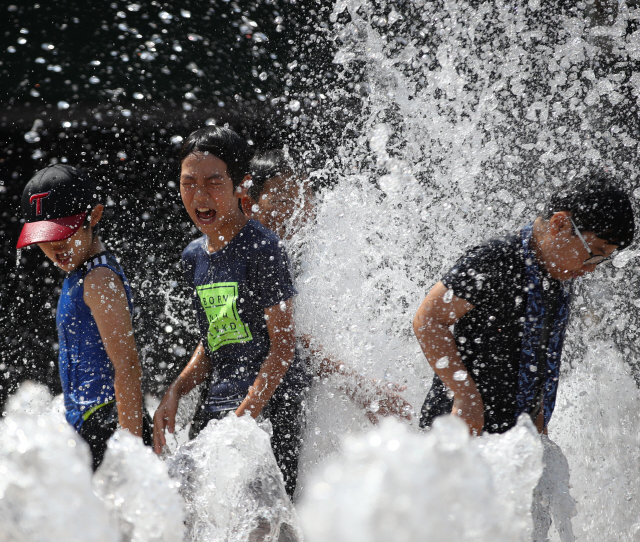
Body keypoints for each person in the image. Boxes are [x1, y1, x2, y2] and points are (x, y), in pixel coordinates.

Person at [413, 172, 635, 435]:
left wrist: (539, 420)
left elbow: (541, 357)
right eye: (593, 256)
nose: (592, 269)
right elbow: (428, 320)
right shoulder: (495, 259)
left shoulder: (556, 275)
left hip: (513, 441)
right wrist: (464, 395)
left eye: (602, 261)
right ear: (560, 225)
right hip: (459, 431)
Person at [153, 127, 310, 499]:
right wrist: (175, 390)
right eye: (188, 183)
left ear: (242, 184)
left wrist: (243, 420)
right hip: (220, 405)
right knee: (191, 512)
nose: (200, 196)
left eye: (213, 182)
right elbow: (214, 341)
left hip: (269, 409)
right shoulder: (194, 256)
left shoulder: (263, 248)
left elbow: (282, 348)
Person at [242, 149, 412, 425]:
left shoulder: (292, 255)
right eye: (284, 199)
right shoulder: (255, 253)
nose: (296, 211)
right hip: (256, 400)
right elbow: (293, 340)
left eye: (304, 199)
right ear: (250, 201)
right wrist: (360, 389)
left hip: (274, 398)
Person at [16, 164, 152, 470]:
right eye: (44, 237)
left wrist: (131, 457)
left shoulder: (99, 278)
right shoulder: (80, 272)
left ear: (95, 216)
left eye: (63, 233)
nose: (54, 246)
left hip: (109, 424)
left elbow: (128, 366)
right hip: (89, 425)